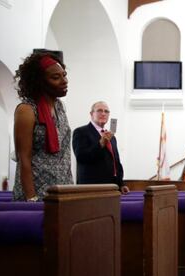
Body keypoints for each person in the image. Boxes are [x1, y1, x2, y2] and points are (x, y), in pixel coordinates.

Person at [12, 52, 73, 201]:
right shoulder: (27, 110)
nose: (64, 81)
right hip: (36, 193)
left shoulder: (60, 107)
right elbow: (23, 159)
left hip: (62, 190)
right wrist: (31, 198)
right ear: (39, 81)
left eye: (64, 75)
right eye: (55, 78)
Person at [72, 101, 129, 193]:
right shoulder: (81, 132)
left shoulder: (112, 137)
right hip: (92, 188)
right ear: (91, 114)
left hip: (112, 187)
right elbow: (81, 157)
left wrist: (121, 184)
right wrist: (100, 144)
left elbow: (116, 162)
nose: (103, 113)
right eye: (99, 110)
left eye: (106, 111)